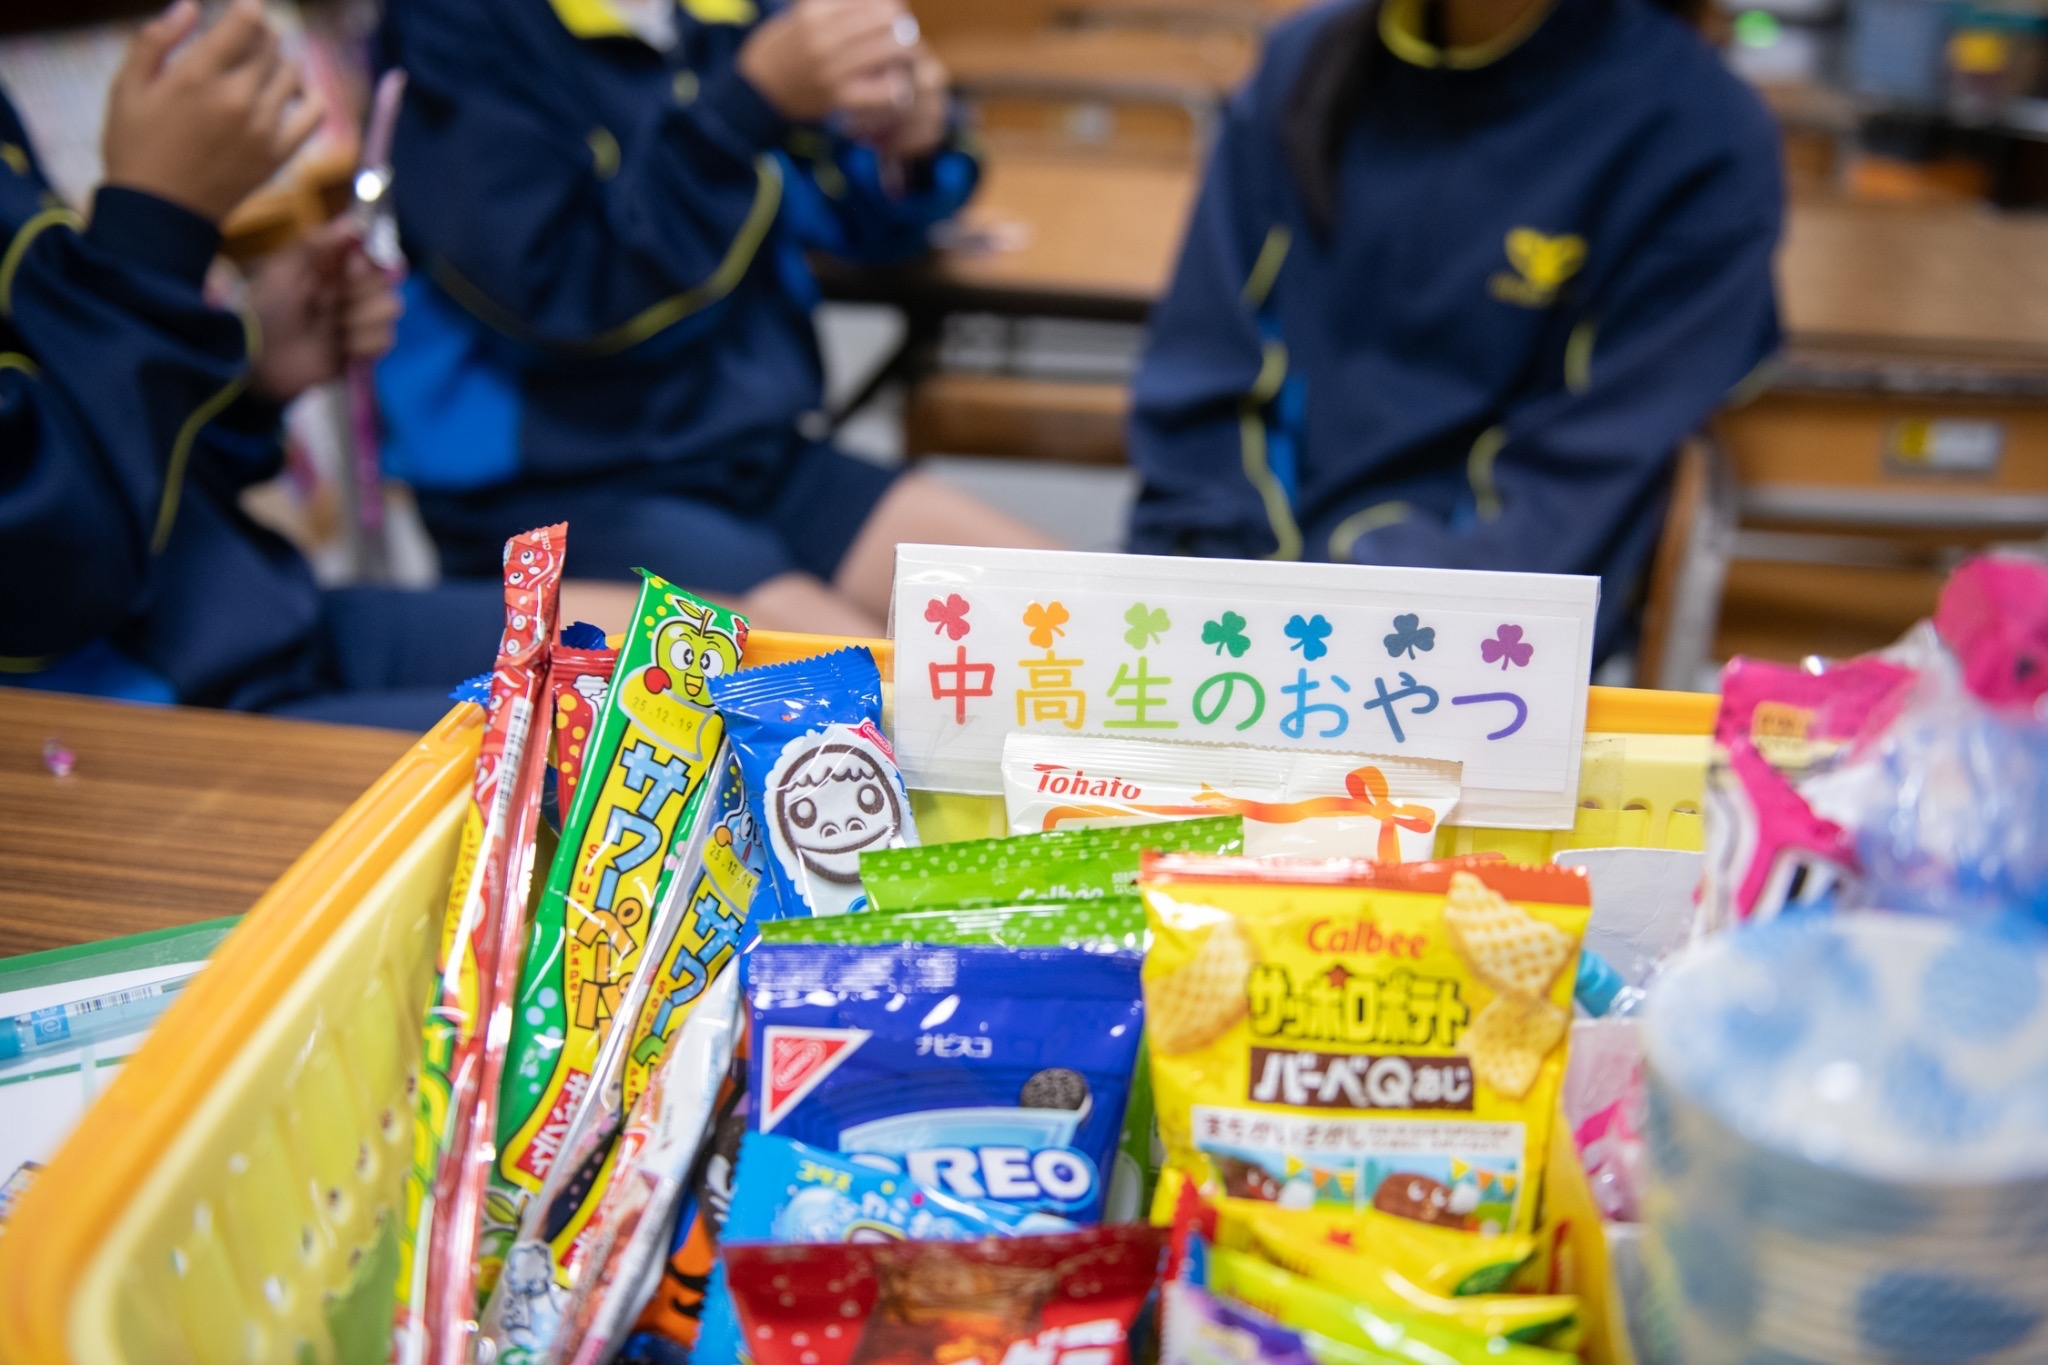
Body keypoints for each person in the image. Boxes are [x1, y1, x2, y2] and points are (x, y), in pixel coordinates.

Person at [1124, 0, 1783, 659]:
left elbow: (1577, 489)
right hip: (1233, 614)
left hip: (1468, 650)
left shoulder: (1699, 133)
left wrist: (1350, 624)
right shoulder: (1300, 64)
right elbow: (1202, 380)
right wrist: (1223, 603)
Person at [377, 0, 1053, 640]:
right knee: (899, 714)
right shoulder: (460, 23)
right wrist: (744, 109)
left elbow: (847, 206)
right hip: (569, 484)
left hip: (752, 455)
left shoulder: (727, 11)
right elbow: (563, 294)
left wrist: (906, 140)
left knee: (1081, 622)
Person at [0, 0, 588, 730]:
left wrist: (250, 381)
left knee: (726, 651)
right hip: (145, 726)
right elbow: (48, 568)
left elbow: (91, 451)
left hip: (256, 614)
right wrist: (151, 233)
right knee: (667, 751)